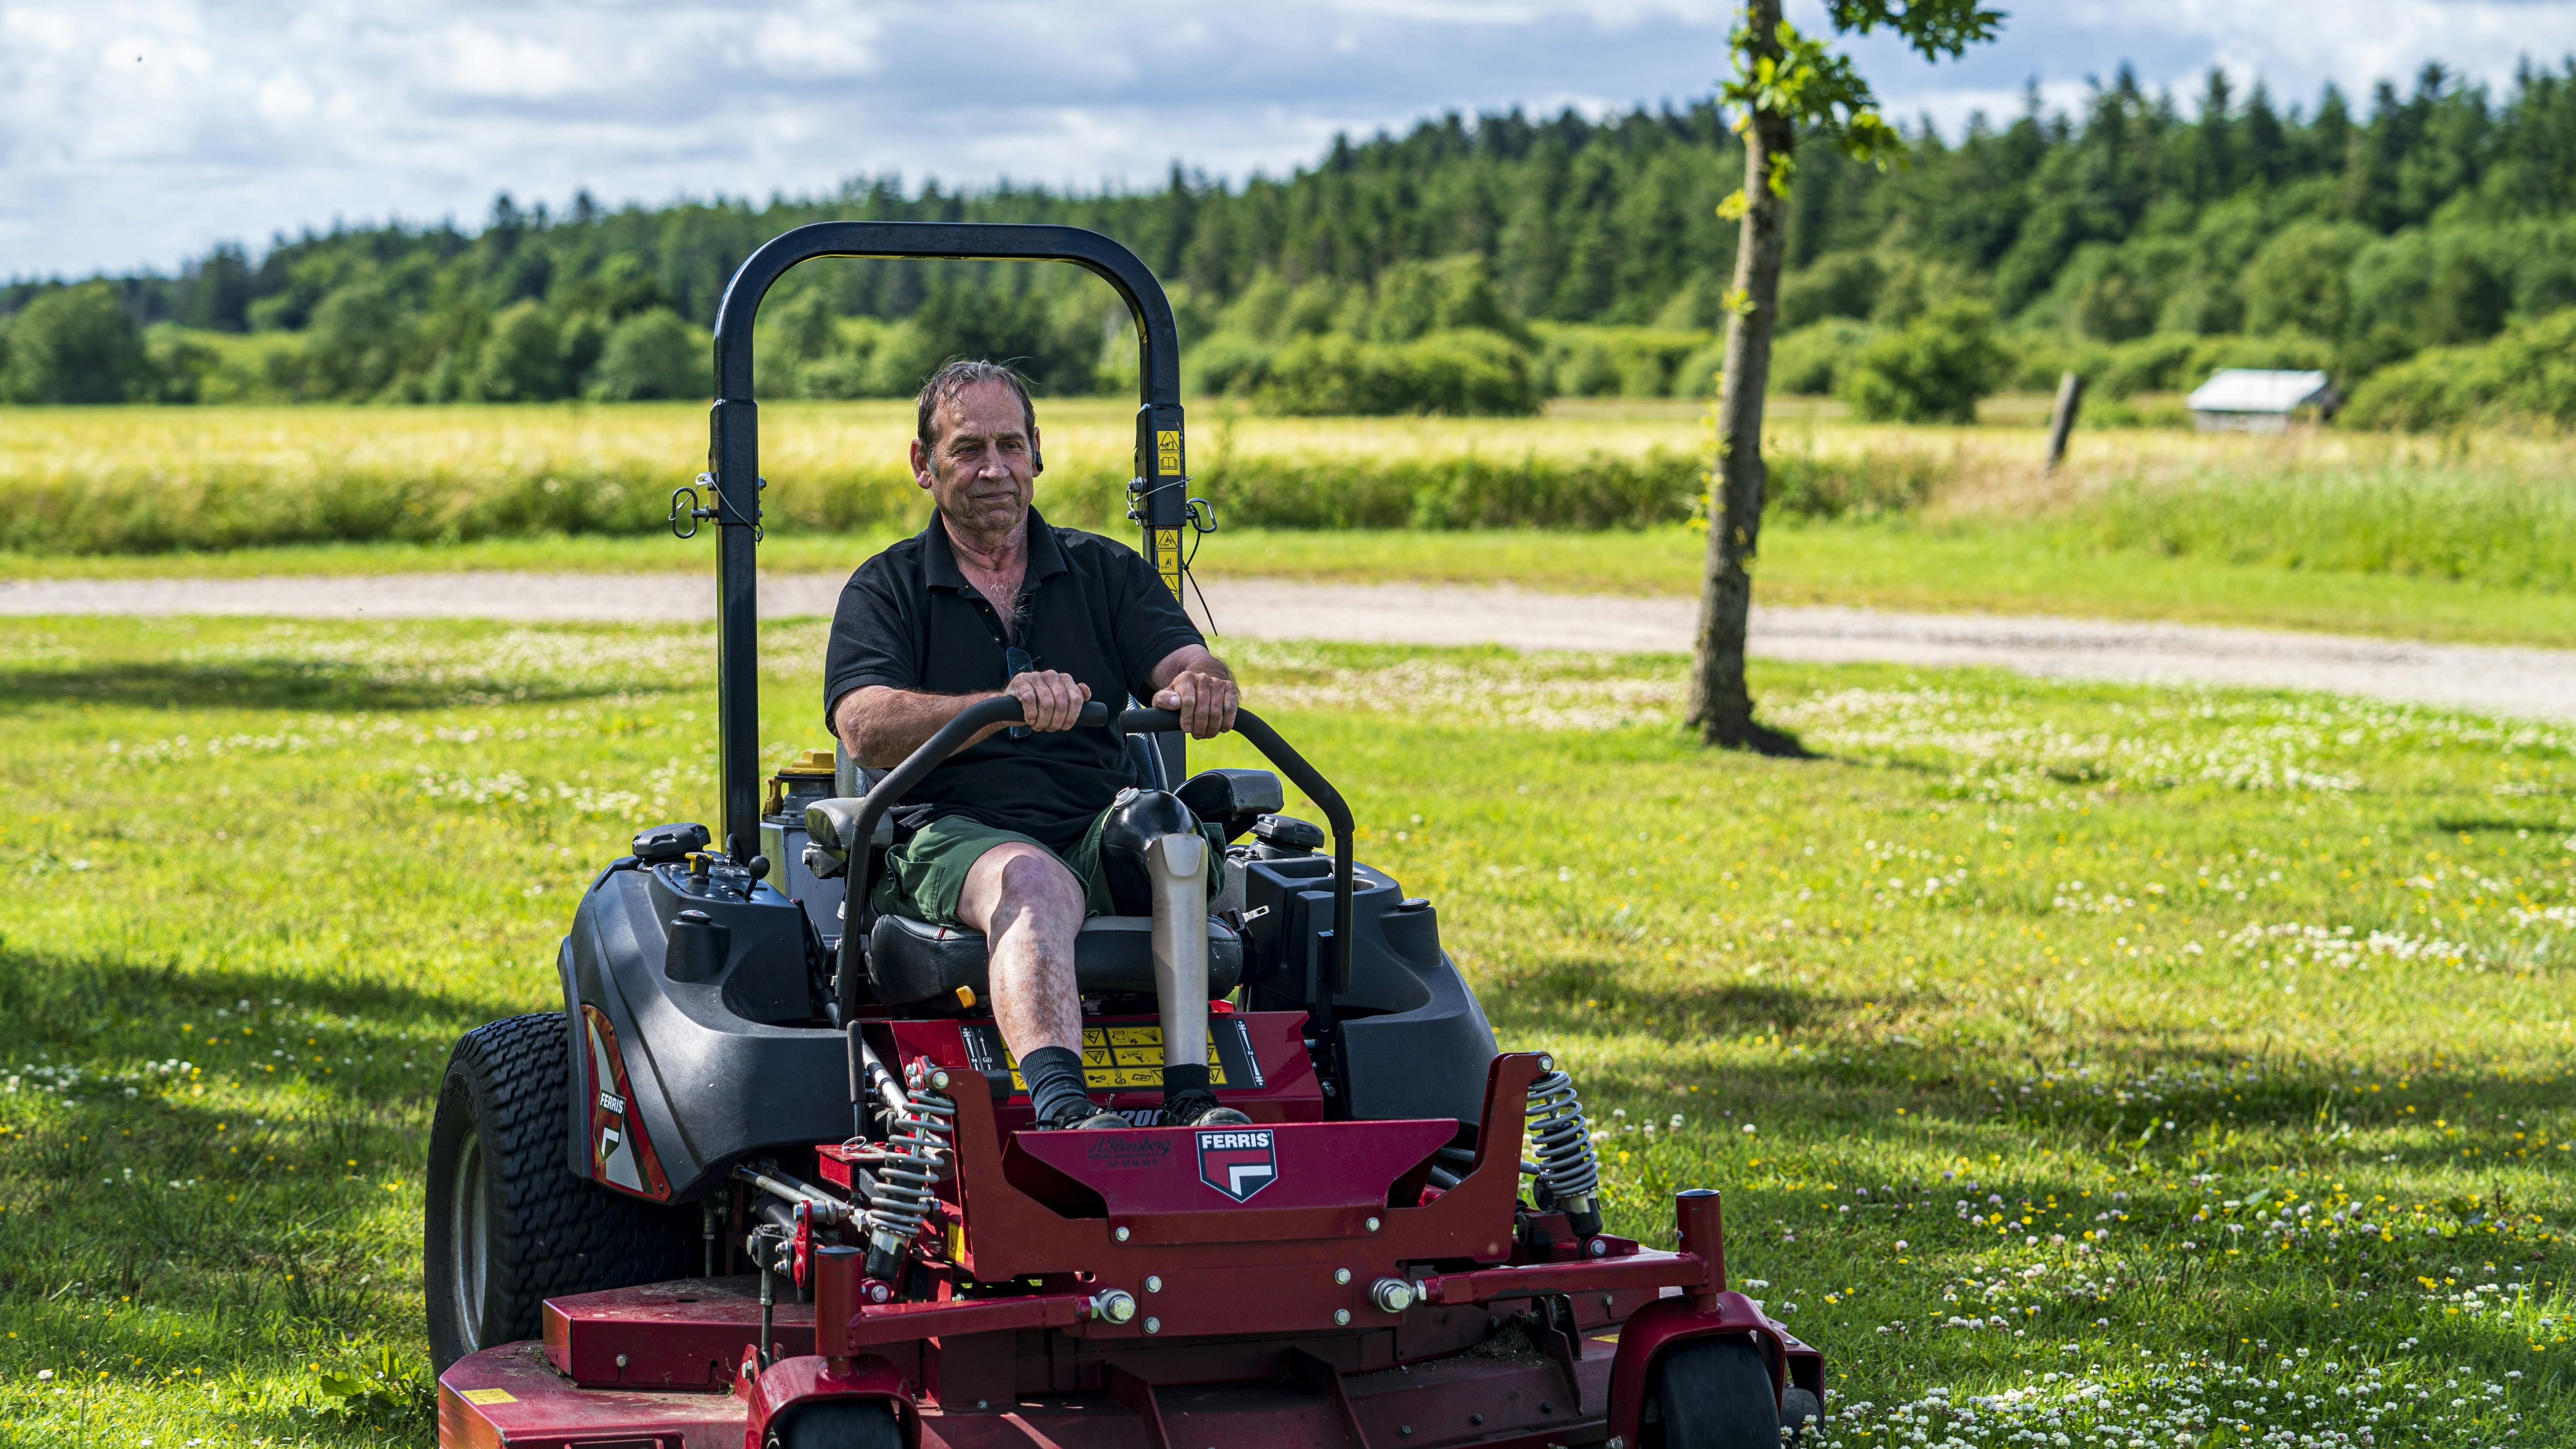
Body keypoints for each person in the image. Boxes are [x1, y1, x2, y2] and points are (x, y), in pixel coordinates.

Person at [824, 360, 1251, 1131]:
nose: (994, 469)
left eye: (1010, 446)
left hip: (1092, 828)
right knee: (1034, 876)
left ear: (1037, 452)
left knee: (1170, 829)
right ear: (924, 464)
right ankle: (1065, 1114)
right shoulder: (885, 588)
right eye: (967, 449)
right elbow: (864, 723)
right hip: (953, 839)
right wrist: (997, 709)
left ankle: (1194, 1101)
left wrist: (1204, 684)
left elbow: (1185, 661)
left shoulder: (1106, 572)